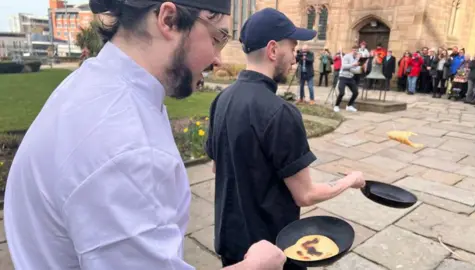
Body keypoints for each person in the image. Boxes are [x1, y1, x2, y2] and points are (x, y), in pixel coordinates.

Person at [3, 0, 286, 269]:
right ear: (169, 20)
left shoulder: (92, 85)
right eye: (217, 37)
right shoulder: (126, 148)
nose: (217, 59)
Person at [205, 8, 366, 270]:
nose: (294, 58)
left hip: (230, 241)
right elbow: (306, 195)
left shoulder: (221, 99)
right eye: (292, 48)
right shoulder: (281, 112)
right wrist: (350, 180)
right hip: (271, 251)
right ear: (272, 50)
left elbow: (217, 167)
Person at [334, 45, 361, 112]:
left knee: (356, 92)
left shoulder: (356, 58)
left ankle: (349, 106)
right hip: (343, 77)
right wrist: (353, 65)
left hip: (350, 77)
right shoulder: (347, 56)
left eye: (357, 51)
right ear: (352, 50)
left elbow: (354, 69)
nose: (355, 52)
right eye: (354, 50)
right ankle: (336, 106)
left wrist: (359, 66)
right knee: (342, 93)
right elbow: (344, 66)